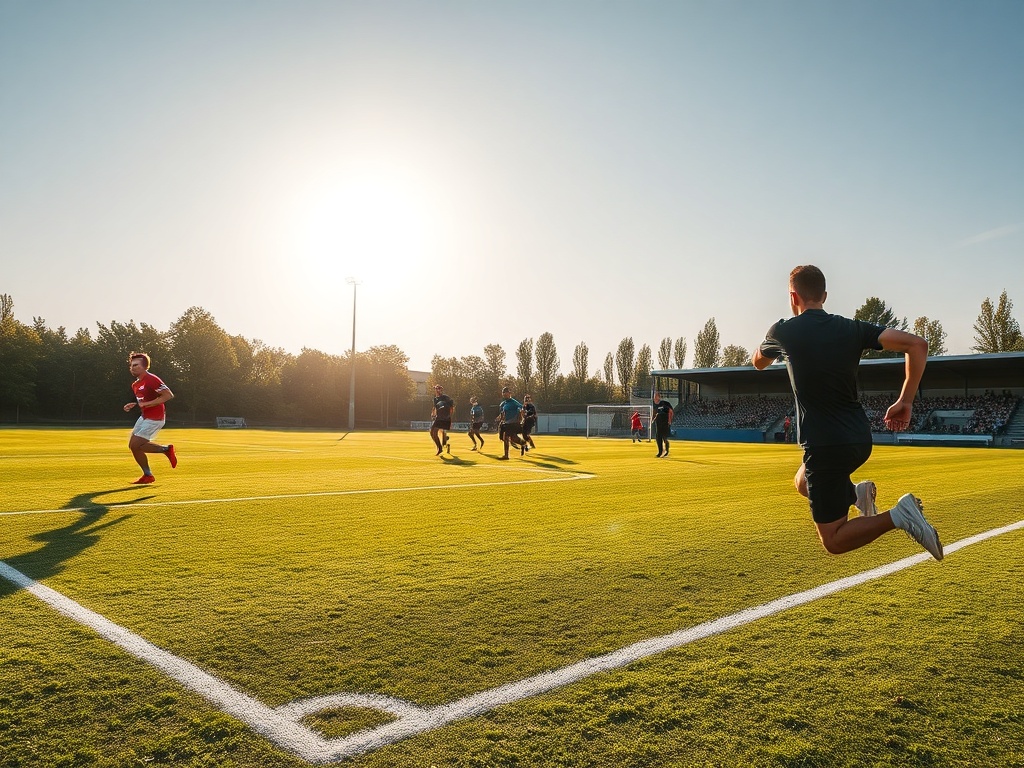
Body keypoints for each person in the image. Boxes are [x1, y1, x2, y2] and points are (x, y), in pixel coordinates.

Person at [751, 264, 942, 560]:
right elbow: (917, 345)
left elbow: (757, 363)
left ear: (793, 297)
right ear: (824, 295)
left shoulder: (783, 332)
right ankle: (857, 494)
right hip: (858, 439)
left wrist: (773, 343)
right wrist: (906, 400)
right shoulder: (853, 328)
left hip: (825, 444)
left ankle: (899, 515)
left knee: (834, 540)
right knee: (802, 483)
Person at [123, 352, 177, 484]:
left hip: (155, 418)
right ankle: (148, 475)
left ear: (145, 366)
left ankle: (166, 449)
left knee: (136, 444)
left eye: (136, 365)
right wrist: (134, 405)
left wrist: (146, 404)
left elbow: (168, 395)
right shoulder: (135, 385)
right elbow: (145, 400)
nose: (132, 367)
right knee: (133, 446)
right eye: (131, 365)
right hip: (144, 416)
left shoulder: (151, 378)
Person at [497, 386, 526, 460]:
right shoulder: (504, 403)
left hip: (514, 423)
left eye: (506, 393)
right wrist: (501, 419)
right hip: (507, 423)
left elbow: (521, 408)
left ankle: (506, 456)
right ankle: (523, 444)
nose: (504, 394)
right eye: (503, 393)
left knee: (506, 437)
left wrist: (522, 417)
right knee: (513, 438)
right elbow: (503, 413)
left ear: (510, 393)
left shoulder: (513, 402)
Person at [430, 384, 455, 456]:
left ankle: (441, 446)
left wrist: (449, 415)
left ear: (441, 390)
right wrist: (433, 413)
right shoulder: (435, 399)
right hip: (438, 418)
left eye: (439, 389)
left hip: (444, 418)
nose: (437, 390)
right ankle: (441, 445)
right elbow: (435, 407)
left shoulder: (445, 397)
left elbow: (451, 406)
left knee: (435, 431)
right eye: (436, 389)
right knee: (432, 433)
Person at [653, 392, 674, 457]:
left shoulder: (665, 403)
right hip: (658, 421)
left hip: (665, 420)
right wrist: (653, 419)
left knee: (664, 437)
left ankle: (666, 450)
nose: (655, 398)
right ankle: (660, 452)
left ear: (659, 397)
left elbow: (671, 411)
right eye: (654, 396)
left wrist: (669, 420)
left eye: (656, 396)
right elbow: (655, 413)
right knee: (658, 437)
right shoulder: (655, 405)